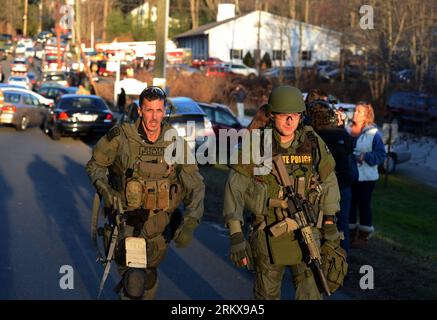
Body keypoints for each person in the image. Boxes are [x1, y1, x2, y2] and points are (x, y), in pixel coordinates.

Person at [223, 86, 347, 300]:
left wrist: (329, 224)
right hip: (267, 232)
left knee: (310, 293)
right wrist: (236, 235)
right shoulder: (256, 143)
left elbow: (329, 183)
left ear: (301, 116)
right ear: (272, 115)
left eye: (295, 116)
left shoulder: (313, 142)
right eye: (283, 115)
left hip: (307, 232)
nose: (290, 121)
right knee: (266, 295)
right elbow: (235, 188)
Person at [86, 86, 205, 299]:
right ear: (140, 111)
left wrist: (191, 222)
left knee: (148, 277)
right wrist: (105, 190)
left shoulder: (173, 141)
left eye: (159, 111)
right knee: (134, 283)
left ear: (164, 112)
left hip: (159, 226)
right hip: (127, 223)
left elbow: (195, 183)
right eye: (149, 110)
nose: (154, 117)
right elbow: (94, 166)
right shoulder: (121, 137)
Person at [305, 99, 354, 254]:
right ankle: (340, 260)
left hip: (321, 187)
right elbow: (349, 151)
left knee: (318, 223)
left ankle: (318, 258)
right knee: (342, 223)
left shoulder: (312, 136)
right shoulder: (342, 135)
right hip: (343, 184)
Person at [347, 102, 386, 248]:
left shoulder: (374, 134)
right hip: (350, 175)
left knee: (363, 206)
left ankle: (363, 237)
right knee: (350, 205)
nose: (355, 113)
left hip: (367, 178)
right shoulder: (347, 130)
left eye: (359, 111)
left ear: (366, 116)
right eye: (355, 110)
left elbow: (381, 154)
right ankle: (349, 234)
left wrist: (366, 157)